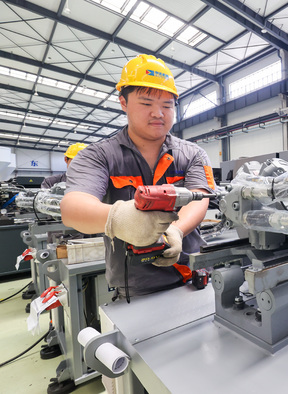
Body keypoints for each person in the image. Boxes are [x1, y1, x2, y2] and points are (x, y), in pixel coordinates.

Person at [60, 54, 215, 300]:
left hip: (195, 273)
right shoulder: (99, 156)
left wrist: (175, 231)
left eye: (167, 105)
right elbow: (72, 208)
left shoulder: (193, 154)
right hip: (136, 286)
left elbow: (200, 196)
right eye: (146, 104)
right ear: (123, 102)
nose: (158, 114)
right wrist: (119, 218)